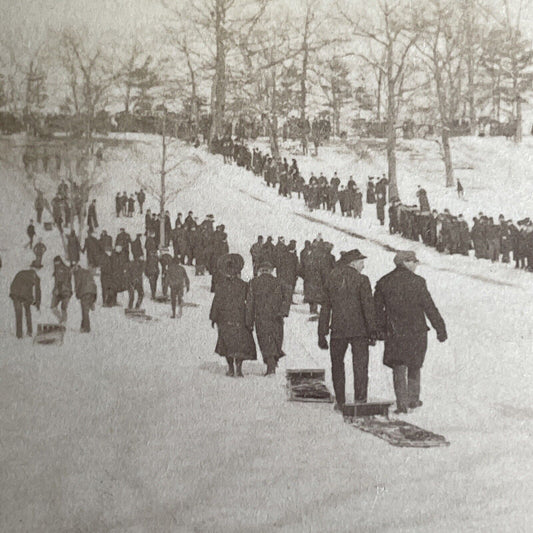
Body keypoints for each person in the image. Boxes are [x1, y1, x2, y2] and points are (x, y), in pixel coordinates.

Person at [374, 251, 447, 414]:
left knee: (398, 366)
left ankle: (401, 403)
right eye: (414, 262)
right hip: (417, 331)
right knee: (415, 364)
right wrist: (440, 328)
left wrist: (379, 330)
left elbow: (376, 310)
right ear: (405, 262)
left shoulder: (384, 282)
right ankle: (413, 399)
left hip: (394, 332)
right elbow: (429, 307)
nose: (416, 266)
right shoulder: (418, 282)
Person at [318, 249, 377, 411]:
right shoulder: (362, 280)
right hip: (360, 331)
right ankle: (360, 399)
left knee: (337, 365)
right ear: (353, 263)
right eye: (361, 262)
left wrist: (321, 333)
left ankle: (341, 400)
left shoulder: (332, 278)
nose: (363, 265)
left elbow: (325, 308)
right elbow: (368, 307)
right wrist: (372, 331)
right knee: (360, 365)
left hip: (338, 330)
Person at [210, 254, 257, 376]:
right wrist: (250, 319)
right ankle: (239, 369)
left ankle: (231, 369)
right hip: (239, 317)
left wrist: (213, 318)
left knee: (227, 344)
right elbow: (250, 302)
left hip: (225, 318)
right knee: (240, 343)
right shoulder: (244, 285)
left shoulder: (220, 285)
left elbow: (216, 302)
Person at [246, 261, 286, 375]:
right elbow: (286, 298)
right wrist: (283, 311)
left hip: (261, 317)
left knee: (265, 340)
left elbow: (250, 303)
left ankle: (271, 364)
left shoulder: (253, 283)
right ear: (270, 270)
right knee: (276, 338)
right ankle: (273, 361)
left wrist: (249, 321)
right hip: (276, 317)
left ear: (260, 270)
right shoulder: (278, 281)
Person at [9, 264, 41, 338]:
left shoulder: (22, 273)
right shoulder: (34, 277)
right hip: (17, 294)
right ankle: (26, 333)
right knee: (22, 313)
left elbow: (36, 291)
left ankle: (23, 334)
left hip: (16, 293)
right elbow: (37, 291)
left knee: (22, 313)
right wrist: (36, 303)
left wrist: (35, 302)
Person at [73, 264, 97, 333]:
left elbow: (77, 284)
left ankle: (86, 328)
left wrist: (77, 294)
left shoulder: (77, 273)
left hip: (85, 292)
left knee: (84, 311)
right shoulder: (87, 271)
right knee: (85, 311)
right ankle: (83, 326)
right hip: (93, 292)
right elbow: (93, 282)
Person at [51, 256, 72, 324]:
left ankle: (63, 321)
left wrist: (57, 289)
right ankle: (62, 320)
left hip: (65, 291)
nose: (55, 264)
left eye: (56, 262)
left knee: (62, 307)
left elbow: (63, 282)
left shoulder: (62, 269)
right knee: (54, 307)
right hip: (60, 291)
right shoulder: (58, 269)